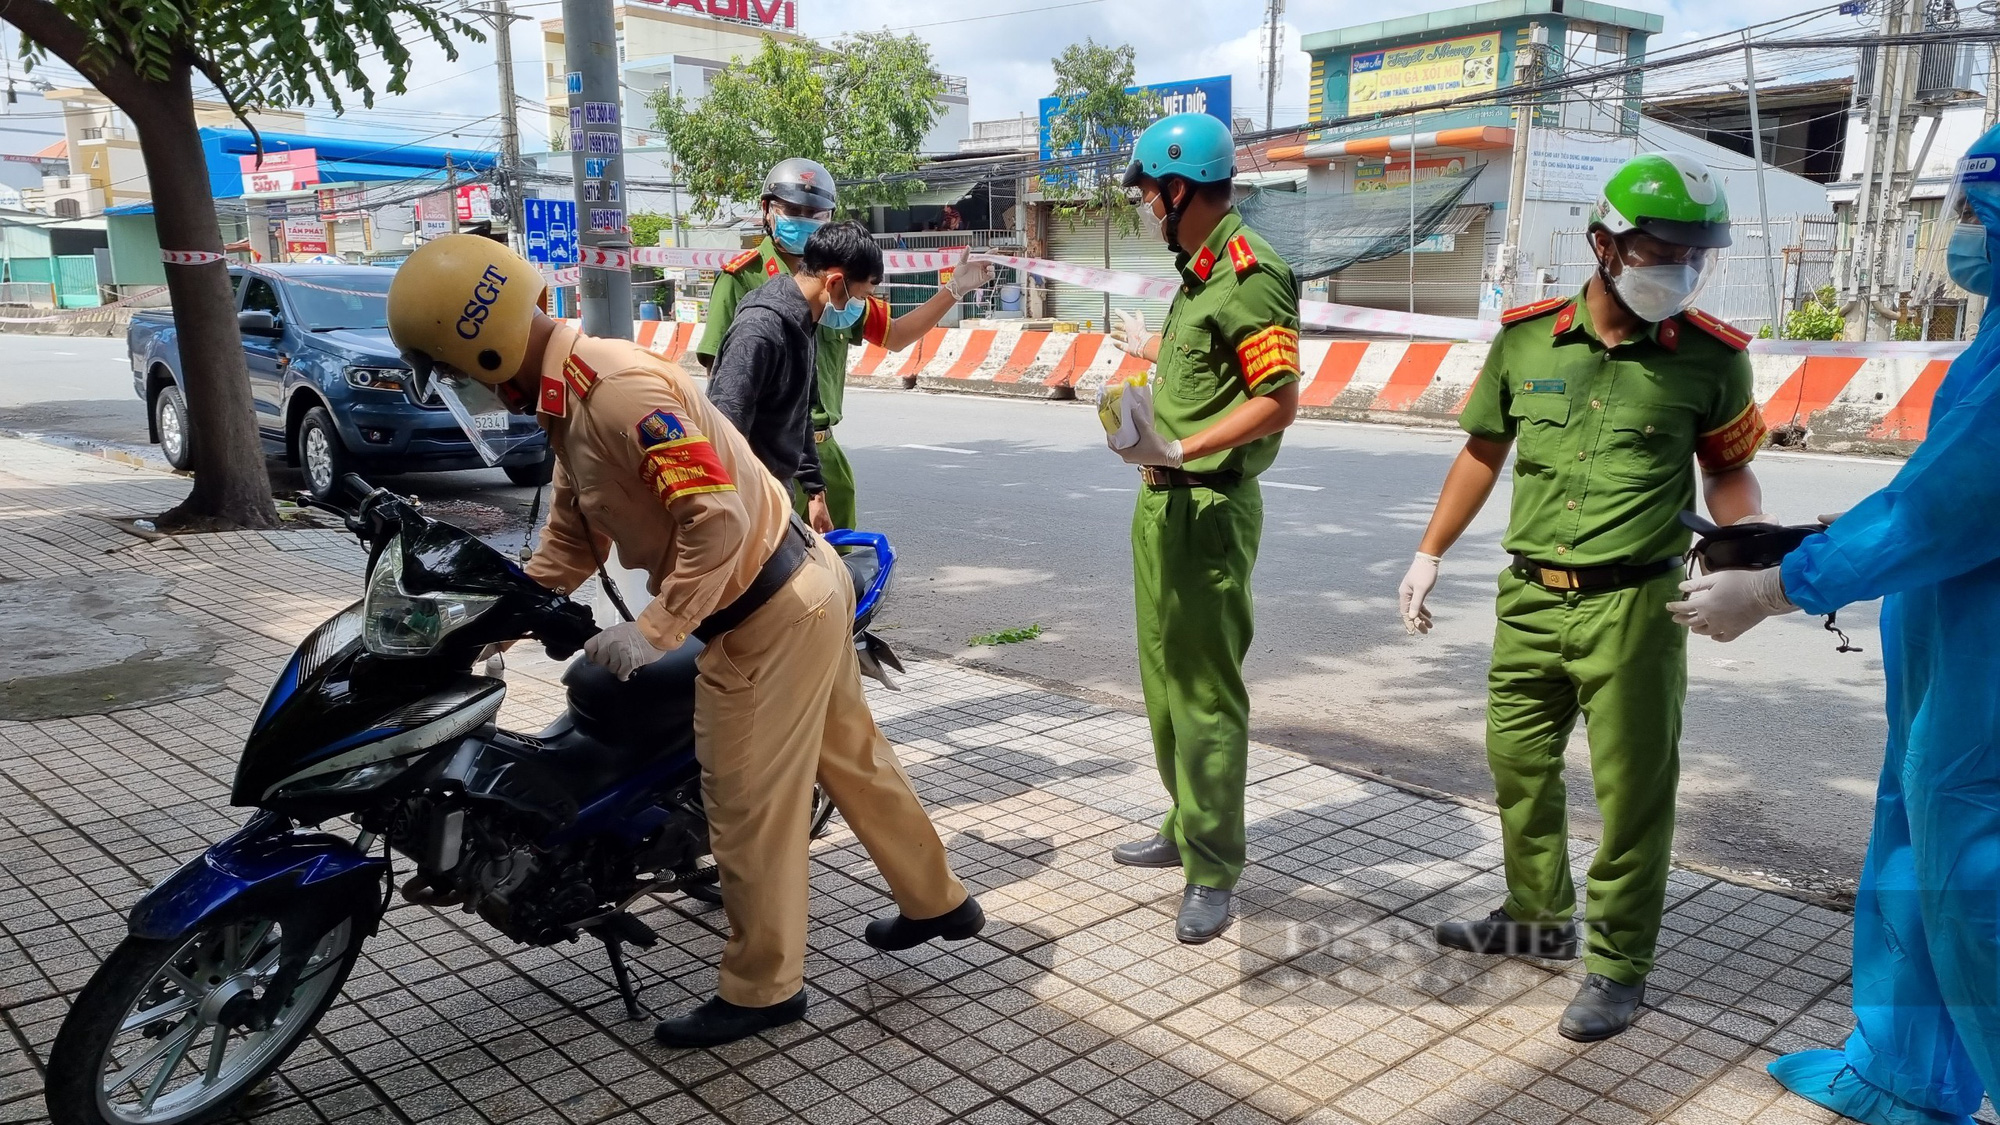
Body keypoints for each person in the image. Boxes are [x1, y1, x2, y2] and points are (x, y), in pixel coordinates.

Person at [386, 234, 982, 1050]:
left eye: (457, 369)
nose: (466, 385)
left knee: (746, 810)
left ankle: (766, 989)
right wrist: (496, 620)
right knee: (851, 757)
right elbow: (570, 537)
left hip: (765, 612)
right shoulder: (572, 396)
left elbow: (717, 520)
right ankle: (940, 900)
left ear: (479, 344)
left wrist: (653, 629)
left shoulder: (618, 392)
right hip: (799, 588)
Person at [1398, 152, 1770, 1041]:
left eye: (1697, 255)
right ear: (1604, 244)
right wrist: (1428, 551)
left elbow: (1730, 472)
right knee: (1518, 767)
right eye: (1662, 251)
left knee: (1634, 791)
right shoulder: (1527, 340)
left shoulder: (1713, 361)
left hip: (1635, 610)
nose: (1682, 270)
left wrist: (1745, 557)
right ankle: (1537, 915)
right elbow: (1483, 451)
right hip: (1529, 599)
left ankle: (1618, 963)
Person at [1670, 126, 2000, 1125]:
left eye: (1976, 215)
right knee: (1916, 841)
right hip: (1951, 655)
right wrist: (1794, 541)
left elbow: (1939, 513)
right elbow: (1932, 490)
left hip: (1985, 677)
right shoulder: (1988, 341)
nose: (1961, 234)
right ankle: (1902, 1070)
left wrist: (1776, 588)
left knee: (1971, 879)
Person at [1104, 112, 1301, 944]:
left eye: (1150, 192)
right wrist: (1144, 351)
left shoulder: (1253, 275)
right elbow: (1207, 367)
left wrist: (1183, 445)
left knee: (1206, 694)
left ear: (1179, 189)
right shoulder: (1200, 273)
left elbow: (1276, 399)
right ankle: (1185, 822)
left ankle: (1214, 866)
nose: (1148, 207)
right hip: (1161, 501)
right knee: (1162, 683)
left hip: (1208, 506)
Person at [696, 157, 989, 533]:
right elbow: (725, 397)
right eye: (794, 210)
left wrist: (953, 290)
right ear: (767, 211)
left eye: (815, 214)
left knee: (841, 573)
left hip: (817, 450)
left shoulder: (846, 283)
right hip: (760, 455)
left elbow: (895, 335)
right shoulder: (745, 284)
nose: (804, 220)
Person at [706, 221, 878, 500]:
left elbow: (802, 414)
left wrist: (814, 491)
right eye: (860, 297)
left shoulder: (803, 321)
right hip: (749, 496)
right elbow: (724, 427)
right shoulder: (761, 330)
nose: (858, 308)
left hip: (775, 491)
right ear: (834, 283)